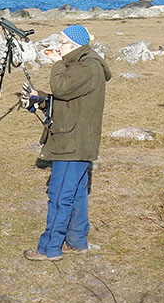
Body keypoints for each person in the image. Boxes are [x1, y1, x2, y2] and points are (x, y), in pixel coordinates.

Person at [22, 24, 111, 261]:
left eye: (62, 42)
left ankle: (49, 249)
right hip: (77, 140)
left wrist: (57, 62)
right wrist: (39, 99)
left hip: (72, 143)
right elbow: (68, 99)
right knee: (77, 194)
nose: (58, 46)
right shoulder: (82, 65)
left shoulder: (87, 67)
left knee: (60, 195)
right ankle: (77, 241)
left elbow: (61, 87)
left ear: (74, 45)